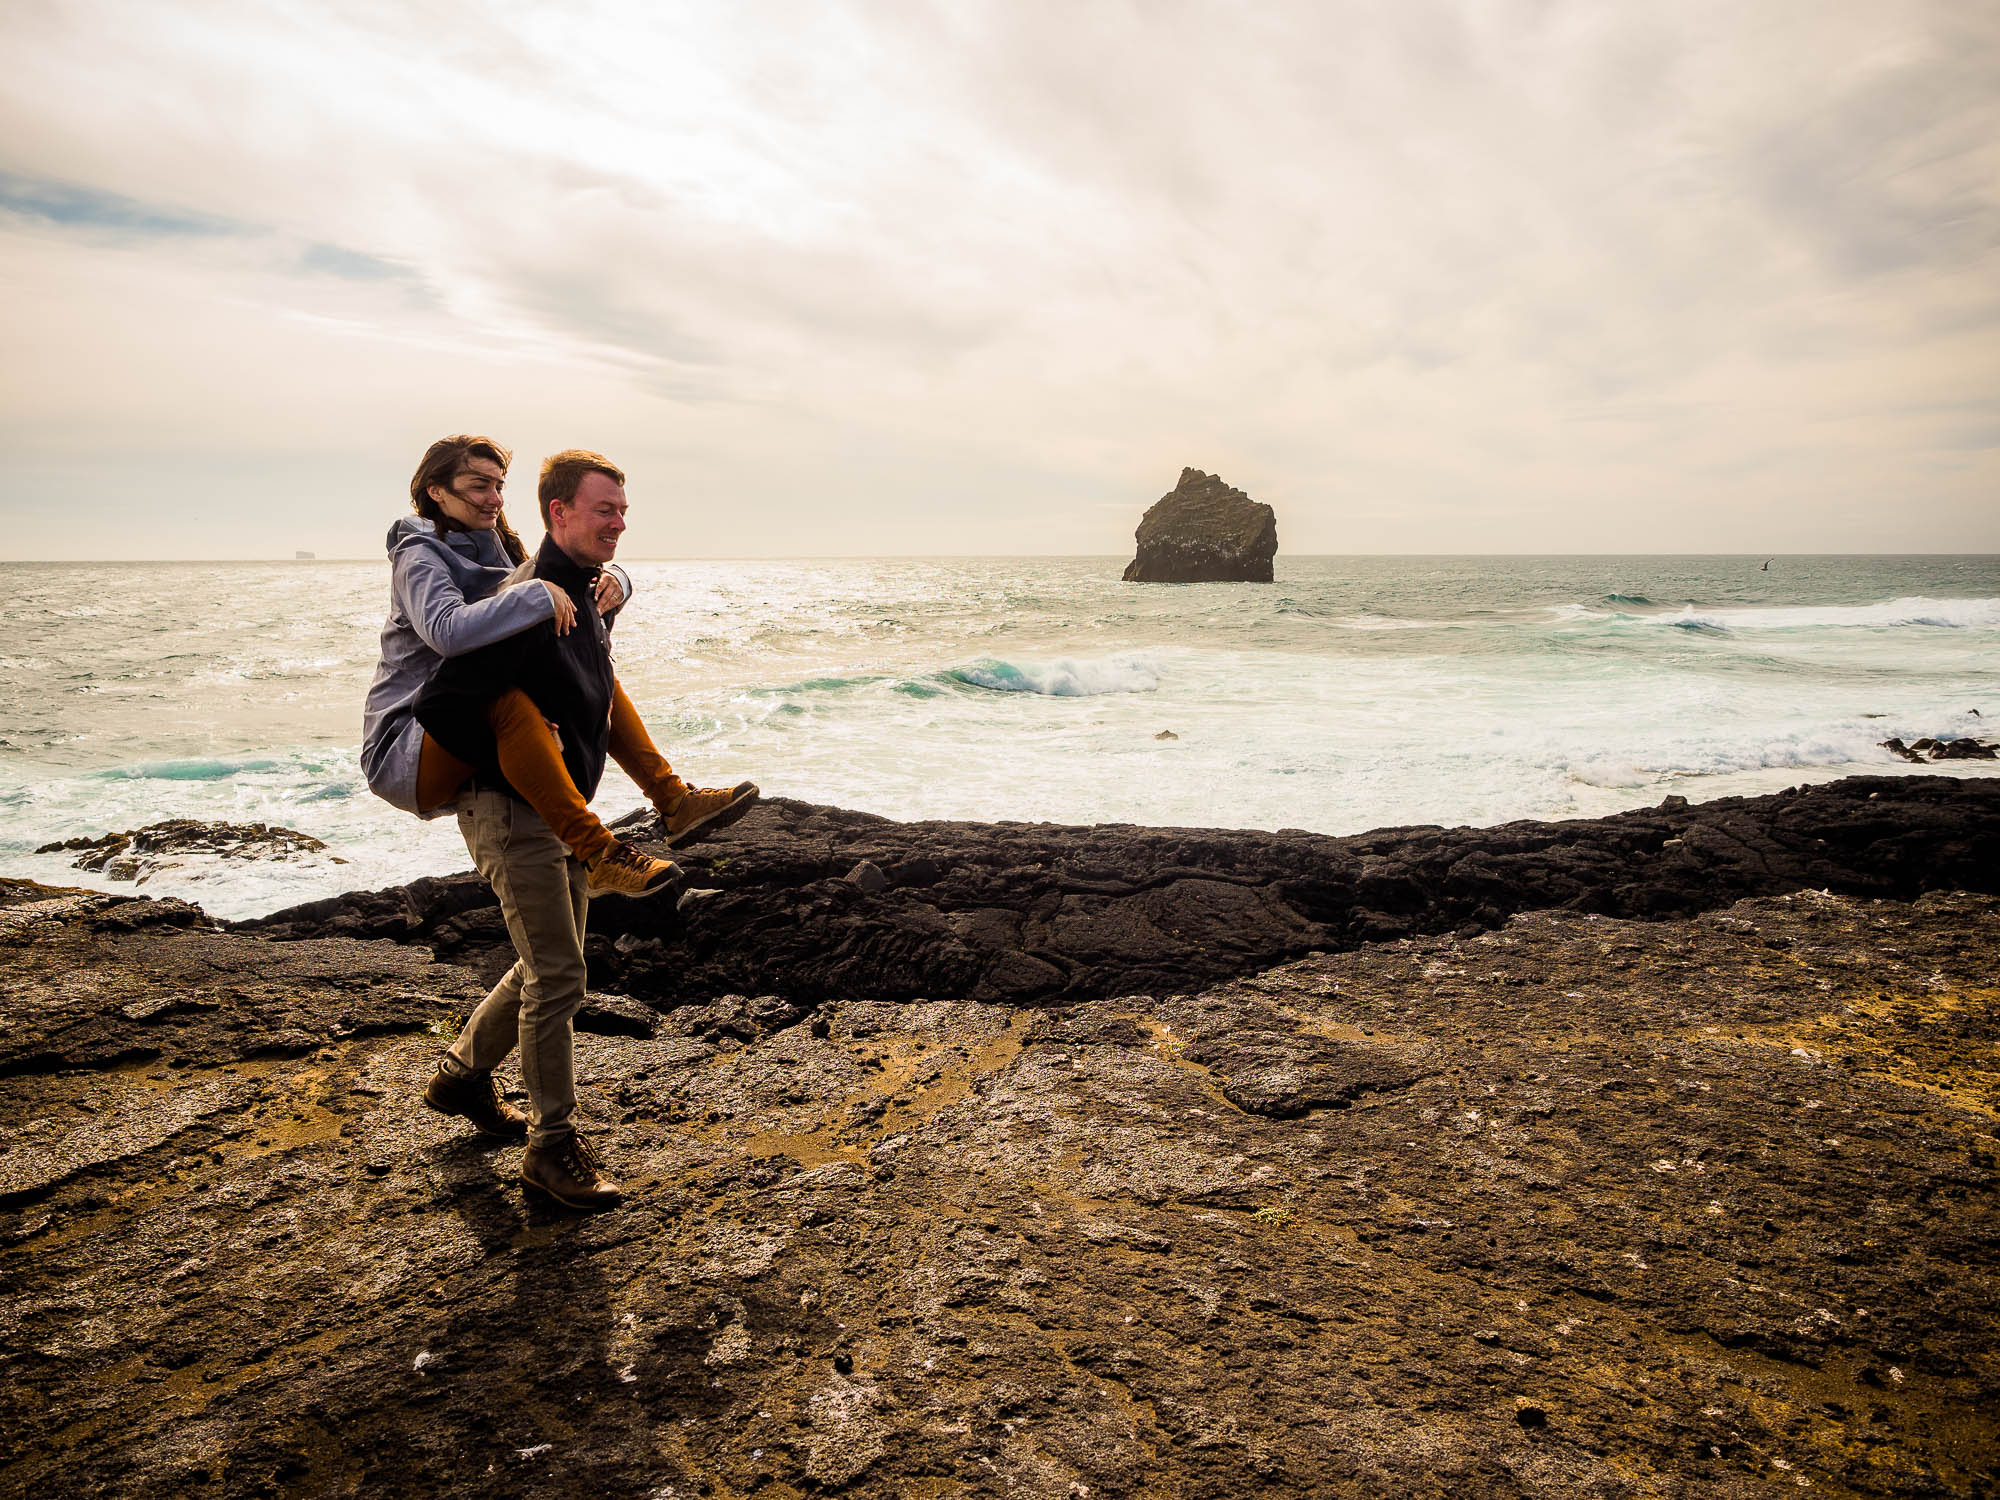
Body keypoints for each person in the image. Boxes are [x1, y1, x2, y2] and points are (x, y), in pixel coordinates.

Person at [414, 447, 747, 1209]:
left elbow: (599, 692)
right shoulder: (527, 600)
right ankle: (550, 1148)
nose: (619, 523)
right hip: (512, 811)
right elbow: (446, 698)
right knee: (560, 975)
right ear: (558, 512)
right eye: (605, 510)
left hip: (557, 811)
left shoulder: (586, 591)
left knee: (548, 962)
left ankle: (462, 1077)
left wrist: (617, 588)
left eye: (624, 512)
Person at [360, 435, 757, 897]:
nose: (494, 499)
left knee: (597, 672)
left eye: (498, 485)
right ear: (436, 491)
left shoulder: (498, 546)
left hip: (469, 715)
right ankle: (599, 852)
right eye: (478, 486)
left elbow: (557, 578)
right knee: (505, 702)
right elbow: (447, 631)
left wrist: (617, 581)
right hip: (410, 739)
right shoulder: (418, 555)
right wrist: (539, 596)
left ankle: (673, 799)